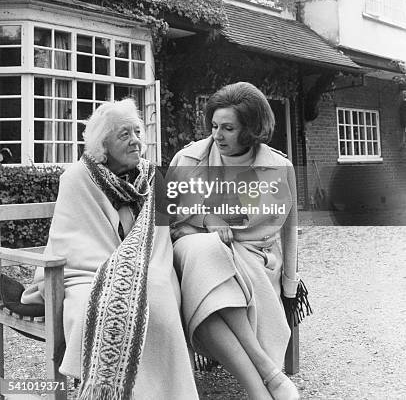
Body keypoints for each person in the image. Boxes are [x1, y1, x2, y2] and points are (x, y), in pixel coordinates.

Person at [22, 98, 198, 400]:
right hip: (88, 272)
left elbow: (173, 225)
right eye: (124, 135)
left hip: (152, 266)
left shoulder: (153, 176)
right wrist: (120, 273)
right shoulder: (77, 177)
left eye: (137, 132)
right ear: (103, 144)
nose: (135, 141)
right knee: (96, 307)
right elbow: (73, 241)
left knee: (158, 294)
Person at [169, 82, 300, 400]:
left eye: (228, 128)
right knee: (207, 249)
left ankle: (259, 387)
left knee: (213, 290)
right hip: (191, 246)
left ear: (252, 129)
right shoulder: (188, 160)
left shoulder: (280, 167)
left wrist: (290, 282)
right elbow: (164, 217)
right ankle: (268, 372)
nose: (217, 135)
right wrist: (206, 219)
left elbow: (289, 228)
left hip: (252, 255)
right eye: (214, 126)